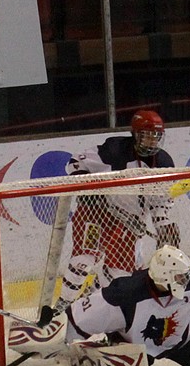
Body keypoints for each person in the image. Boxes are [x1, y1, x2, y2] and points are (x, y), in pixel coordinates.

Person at [9, 245, 190, 366]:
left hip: (182, 338)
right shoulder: (124, 294)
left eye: (185, 275)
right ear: (164, 277)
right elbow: (77, 319)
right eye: (179, 277)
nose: (186, 280)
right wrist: (50, 334)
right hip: (137, 348)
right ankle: (86, 355)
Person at [55, 109, 180, 313]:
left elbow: (159, 200)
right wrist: (88, 189)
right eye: (147, 136)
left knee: (120, 273)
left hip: (130, 221)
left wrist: (163, 225)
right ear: (135, 134)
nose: (152, 142)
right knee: (84, 259)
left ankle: (83, 304)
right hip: (96, 213)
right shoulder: (114, 150)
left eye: (156, 137)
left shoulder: (164, 163)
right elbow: (76, 162)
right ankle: (61, 306)